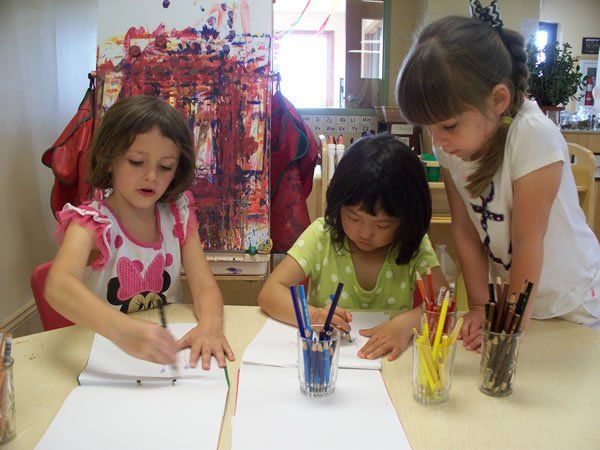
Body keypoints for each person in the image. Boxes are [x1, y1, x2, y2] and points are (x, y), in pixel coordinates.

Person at [396, 8, 600, 350]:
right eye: (428, 127)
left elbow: (527, 242)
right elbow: (465, 230)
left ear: (498, 100)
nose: (438, 141)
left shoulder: (533, 135)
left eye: (447, 126)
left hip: (575, 301)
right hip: (520, 300)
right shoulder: (452, 148)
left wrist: (509, 323)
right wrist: (479, 306)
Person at [45, 95, 234, 369]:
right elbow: (58, 285)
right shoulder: (91, 222)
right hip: (104, 353)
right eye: (136, 162)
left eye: (165, 166)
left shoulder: (176, 215)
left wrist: (210, 325)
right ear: (108, 159)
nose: (151, 176)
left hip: (165, 352)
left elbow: (204, 286)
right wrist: (123, 331)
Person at [258, 134, 446, 361]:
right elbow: (270, 293)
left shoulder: (413, 245)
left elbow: (445, 304)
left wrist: (408, 322)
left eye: (382, 224)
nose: (365, 233)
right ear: (338, 205)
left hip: (389, 366)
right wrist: (314, 314)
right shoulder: (323, 235)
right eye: (354, 218)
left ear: (408, 221)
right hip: (325, 359)